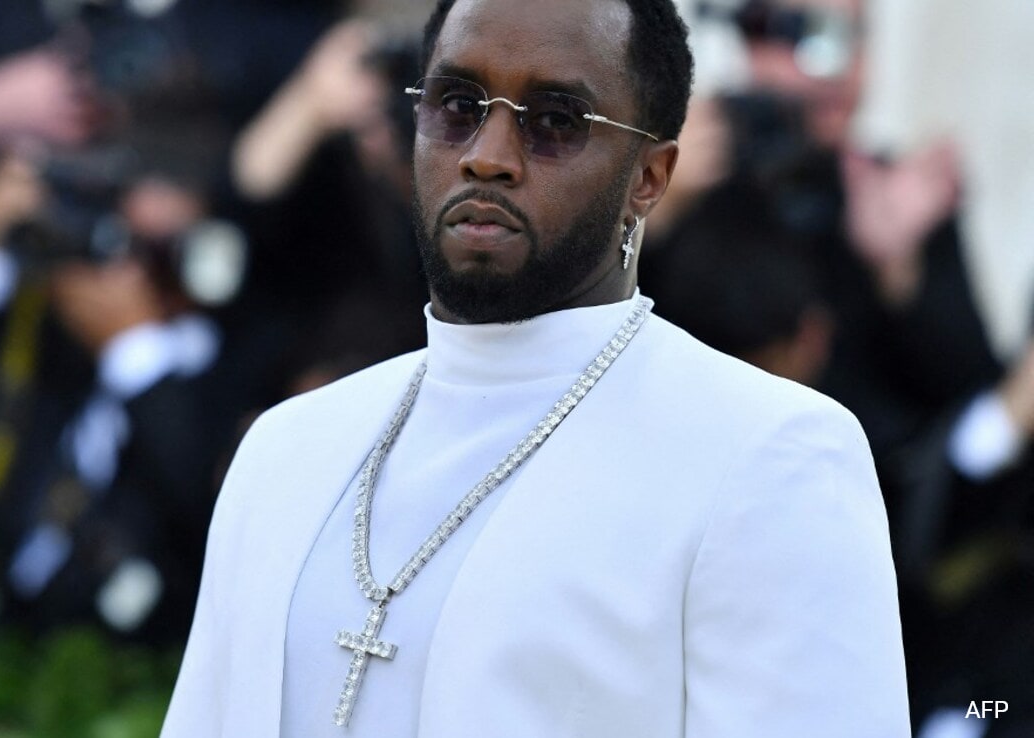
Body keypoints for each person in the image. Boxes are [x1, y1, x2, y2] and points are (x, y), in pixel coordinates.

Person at [161, 0, 909, 735]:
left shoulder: (767, 453)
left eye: (555, 121)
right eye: (458, 105)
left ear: (650, 176)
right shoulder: (285, 448)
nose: (486, 156)